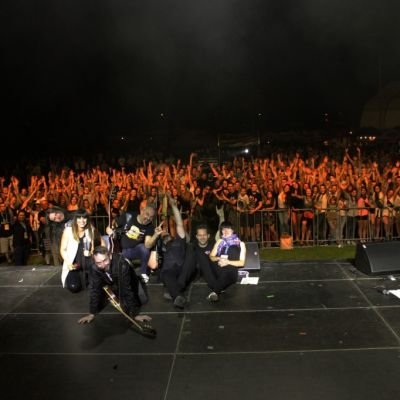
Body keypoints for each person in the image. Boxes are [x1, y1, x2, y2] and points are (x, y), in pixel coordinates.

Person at [77, 245, 152, 326]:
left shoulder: (122, 264)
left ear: (110, 256)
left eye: (105, 260)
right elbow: (94, 290)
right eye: (99, 263)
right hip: (111, 282)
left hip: (130, 282)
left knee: (142, 300)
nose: (103, 265)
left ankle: (139, 281)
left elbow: (127, 289)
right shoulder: (94, 267)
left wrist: (134, 314)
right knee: (106, 297)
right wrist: (92, 313)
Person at [108, 205, 162, 283]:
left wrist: (156, 235)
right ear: (142, 211)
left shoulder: (150, 227)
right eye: (147, 214)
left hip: (134, 251)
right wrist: (110, 229)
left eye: (151, 217)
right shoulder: (129, 216)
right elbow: (114, 223)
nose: (148, 218)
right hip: (120, 250)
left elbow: (147, 245)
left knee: (144, 248)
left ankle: (143, 273)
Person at [159, 194, 194, 309]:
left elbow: (179, 224)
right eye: (162, 232)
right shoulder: (161, 247)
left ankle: (173, 291)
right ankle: (177, 296)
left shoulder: (179, 240)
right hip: (169, 271)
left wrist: (174, 206)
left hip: (182, 267)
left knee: (191, 249)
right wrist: (156, 235)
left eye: (165, 231)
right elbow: (148, 244)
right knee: (166, 275)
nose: (164, 232)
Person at [60, 209, 105, 293]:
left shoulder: (91, 229)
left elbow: (102, 242)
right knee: (74, 287)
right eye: (79, 218)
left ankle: (90, 277)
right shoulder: (68, 231)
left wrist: (95, 254)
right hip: (74, 264)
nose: (82, 221)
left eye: (84, 218)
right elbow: (62, 249)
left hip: (88, 262)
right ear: (75, 219)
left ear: (87, 219)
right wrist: (68, 263)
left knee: (96, 286)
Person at [201, 221, 246, 302]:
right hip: (218, 270)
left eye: (228, 228)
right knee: (204, 257)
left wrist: (227, 262)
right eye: (223, 229)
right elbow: (211, 256)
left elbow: (242, 263)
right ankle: (218, 289)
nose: (225, 231)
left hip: (231, 272)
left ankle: (215, 291)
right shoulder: (220, 241)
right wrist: (219, 258)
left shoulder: (240, 244)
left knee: (231, 251)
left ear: (233, 230)